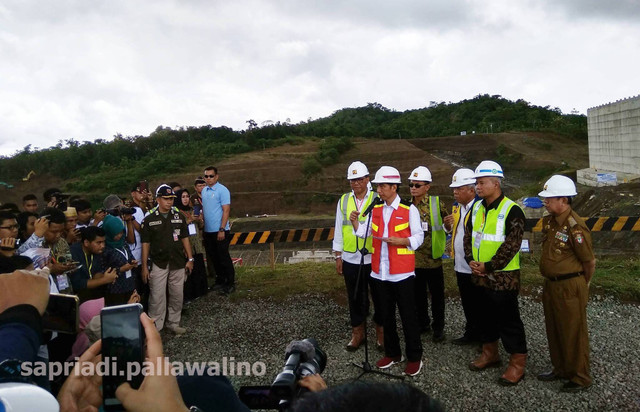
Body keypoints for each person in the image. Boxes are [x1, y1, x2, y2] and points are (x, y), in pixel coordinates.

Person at [353, 166, 424, 376]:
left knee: (408, 316)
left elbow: (419, 237)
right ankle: (393, 354)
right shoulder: (375, 209)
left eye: (383, 186)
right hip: (379, 273)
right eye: (378, 186)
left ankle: (414, 357)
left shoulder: (408, 209)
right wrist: (355, 222)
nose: (379, 190)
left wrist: (403, 241)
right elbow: (363, 233)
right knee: (386, 316)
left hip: (402, 274)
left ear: (394, 187)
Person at [464, 160, 527, 386]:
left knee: (508, 320)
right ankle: (490, 353)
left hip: (503, 278)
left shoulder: (512, 210)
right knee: (484, 316)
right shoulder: (477, 208)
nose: (477, 188)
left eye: (481, 183)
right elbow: (468, 235)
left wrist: (488, 266)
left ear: (495, 183)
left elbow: (512, 244)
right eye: (477, 183)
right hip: (479, 275)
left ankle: (517, 363)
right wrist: (471, 260)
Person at [537, 175, 596, 393]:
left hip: (570, 285)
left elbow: (589, 261)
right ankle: (561, 368)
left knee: (573, 331)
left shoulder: (575, 226)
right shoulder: (552, 221)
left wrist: (583, 283)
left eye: (550, 199)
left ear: (563, 200)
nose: (546, 202)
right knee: (555, 328)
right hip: (552, 284)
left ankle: (580, 376)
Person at [332, 161, 383, 352]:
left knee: (379, 296)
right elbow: (338, 228)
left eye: (359, 179)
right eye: (352, 180)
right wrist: (338, 256)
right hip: (351, 258)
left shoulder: (378, 198)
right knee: (355, 297)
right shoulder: (344, 200)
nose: (355, 183)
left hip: (374, 257)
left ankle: (381, 333)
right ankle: (358, 333)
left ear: (367, 179)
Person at [141, 184, 194, 334]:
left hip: (177, 261)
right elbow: (145, 244)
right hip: (159, 262)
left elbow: (185, 238)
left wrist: (190, 259)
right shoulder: (149, 219)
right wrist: (144, 266)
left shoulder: (178, 216)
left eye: (171, 199)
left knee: (177, 294)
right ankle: (155, 327)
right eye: (166, 199)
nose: (169, 202)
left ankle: (173, 323)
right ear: (158, 199)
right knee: (157, 296)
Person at [408, 166, 450, 342]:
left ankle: (438, 328)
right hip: (413, 259)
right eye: (411, 184)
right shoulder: (406, 205)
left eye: (418, 185)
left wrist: (449, 225)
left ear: (427, 186)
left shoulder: (436, 203)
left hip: (433, 258)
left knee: (437, 296)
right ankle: (422, 323)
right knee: (418, 296)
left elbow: (447, 226)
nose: (413, 188)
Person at [443, 168, 483, 345]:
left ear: (471, 190)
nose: (455, 192)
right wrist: (446, 226)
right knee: (467, 301)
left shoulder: (481, 208)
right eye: (454, 188)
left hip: (476, 265)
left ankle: (485, 339)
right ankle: (471, 333)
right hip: (460, 264)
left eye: (459, 188)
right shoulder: (456, 207)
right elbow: (455, 232)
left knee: (480, 303)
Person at [201, 166, 235, 295]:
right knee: (214, 257)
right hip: (208, 231)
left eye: (211, 176)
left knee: (223, 257)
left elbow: (226, 210)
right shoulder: (204, 191)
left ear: (216, 176)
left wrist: (222, 228)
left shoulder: (222, 190)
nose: (208, 178)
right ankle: (220, 280)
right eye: (206, 176)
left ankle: (230, 282)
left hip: (220, 230)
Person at [175, 188, 208, 302]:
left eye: (187, 196)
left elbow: (200, 226)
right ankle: (189, 294)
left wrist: (199, 219)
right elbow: (177, 229)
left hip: (196, 243)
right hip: (186, 245)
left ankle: (201, 291)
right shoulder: (176, 213)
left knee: (199, 267)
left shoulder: (192, 210)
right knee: (188, 270)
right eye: (183, 197)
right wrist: (188, 221)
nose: (185, 199)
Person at [69, 226, 117, 303]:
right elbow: (78, 284)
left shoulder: (96, 251)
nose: (103, 246)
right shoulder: (73, 253)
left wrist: (106, 276)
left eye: (103, 242)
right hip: (76, 299)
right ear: (86, 243)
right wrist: (104, 280)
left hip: (92, 296)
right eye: (99, 242)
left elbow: (96, 272)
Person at [101, 215, 138, 306]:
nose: (119, 236)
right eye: (116, 234)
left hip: (129, 284)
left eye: (121, 232)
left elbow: (129, 256)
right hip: (115, 288)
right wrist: (120, 269)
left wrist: (133, 262)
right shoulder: (105, 249)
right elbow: (103, 269)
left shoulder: (123, 243)